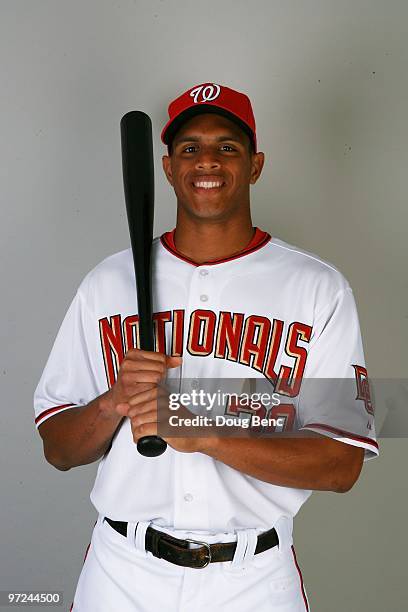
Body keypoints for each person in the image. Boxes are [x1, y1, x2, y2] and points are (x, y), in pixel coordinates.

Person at [34, 83, 378, 611]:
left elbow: (340, 464)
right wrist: (114, 402)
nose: (207, 161)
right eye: (190, 148)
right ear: (169, 168)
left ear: (256, 165)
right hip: (123, 572)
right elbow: (58, 450)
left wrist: (207, 434)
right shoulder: (108, 284)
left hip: (253, 579)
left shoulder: (316, 288)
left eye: (227, 146)